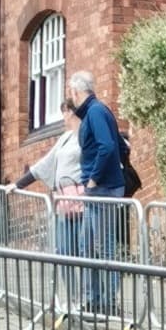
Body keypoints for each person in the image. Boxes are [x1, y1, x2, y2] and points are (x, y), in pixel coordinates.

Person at [68, 70, 125, 312]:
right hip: (101, 188)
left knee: (103, 246)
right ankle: (94, 299)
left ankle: (108, 302)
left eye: (70, 92)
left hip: (102, 189)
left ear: (76, 91)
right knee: (88, 245)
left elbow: (109, 146)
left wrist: (93, 179)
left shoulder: (95, 112)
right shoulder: (95, 112)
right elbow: (120, 146)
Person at [12, 101, 85, 277]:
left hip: (84, 202)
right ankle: (71, 299)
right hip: (63, 202)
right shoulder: (65, 137)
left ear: (70, 112)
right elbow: (45, 163)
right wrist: (18, 184)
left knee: (85, 254)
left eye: (64, 113)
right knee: (63, 253)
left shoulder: (87, 135)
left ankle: (88, 300)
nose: (63, 118)